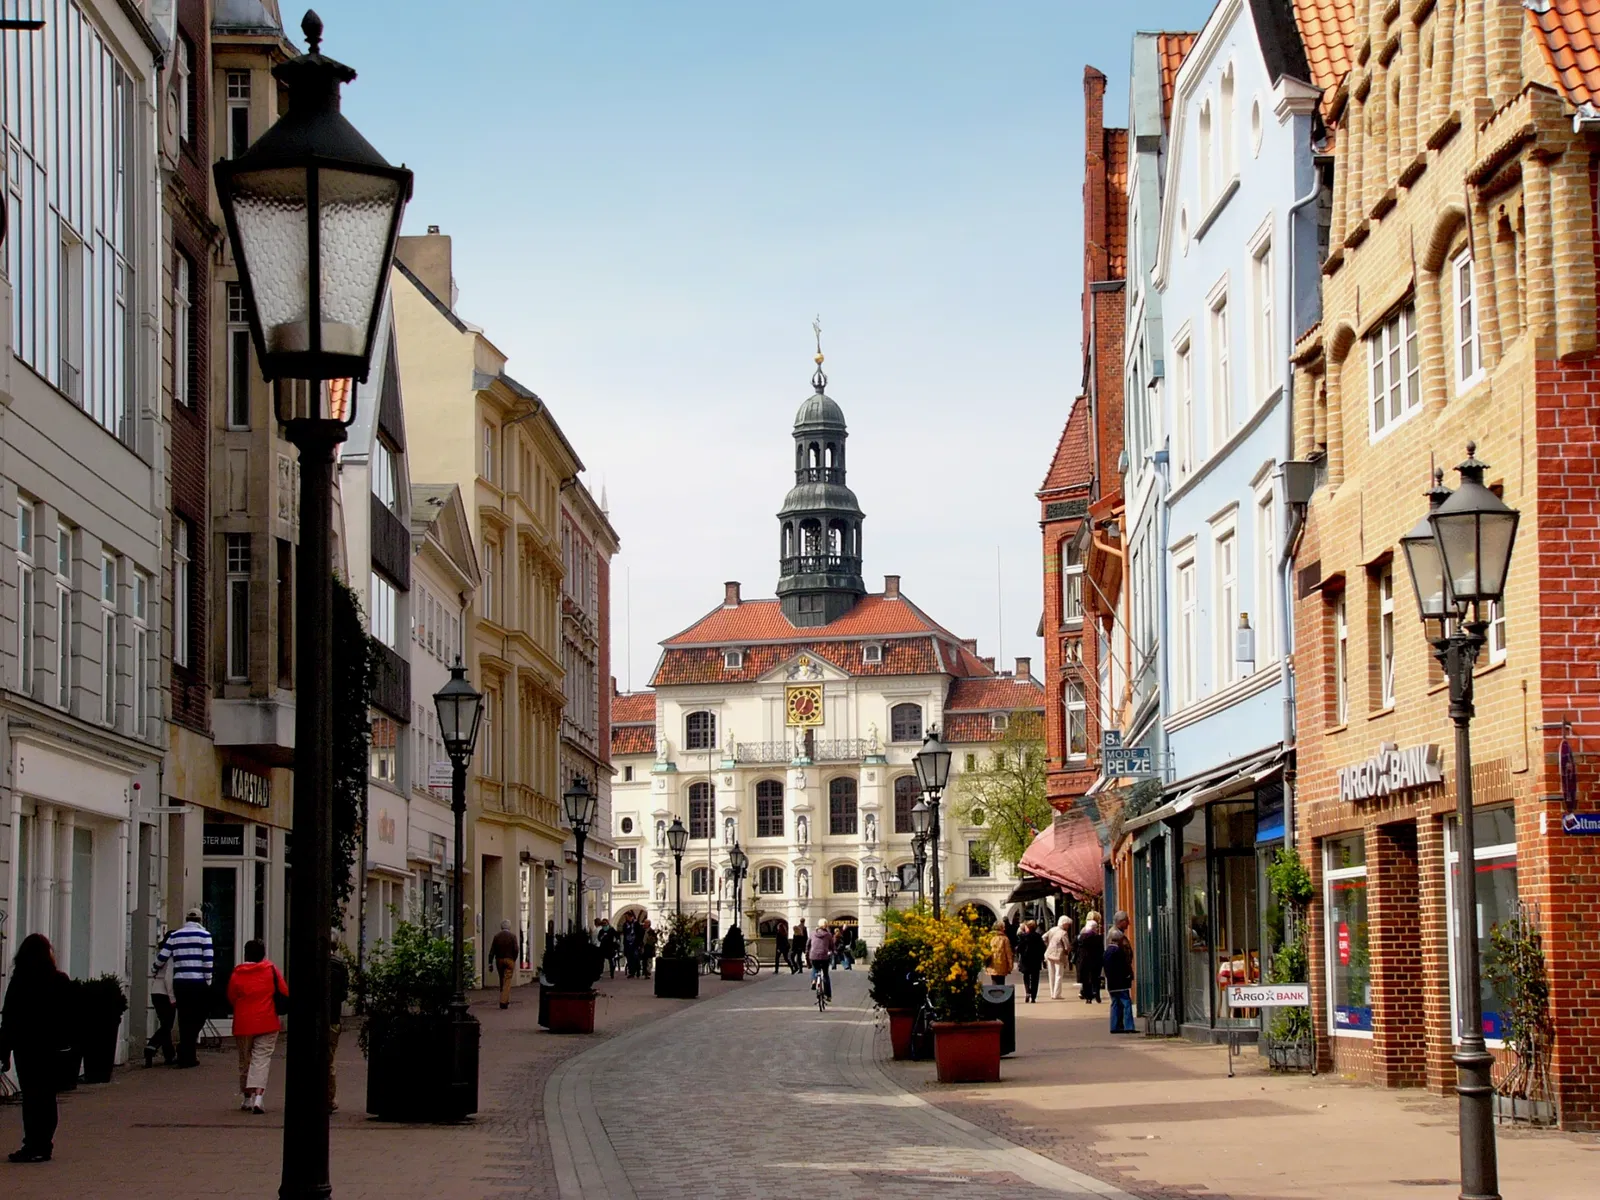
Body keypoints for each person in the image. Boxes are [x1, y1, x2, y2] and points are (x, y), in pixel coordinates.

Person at [0, 933, 72, 1162]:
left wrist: (5, 1050)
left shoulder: (20, 981)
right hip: (50, 1048)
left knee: (32, 1097)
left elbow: (9, 1018)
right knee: (47, 1097)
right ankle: (44, 1143)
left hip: (26, 1047)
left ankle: (32, 1143)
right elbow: (69, 1016)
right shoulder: (59, 980)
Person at [225, 939, 286, 1114]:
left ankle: (247, 1098)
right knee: (261, 1059)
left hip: (243, 1023)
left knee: (245, 1060)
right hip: (267, 1021)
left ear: (245, 954)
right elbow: (284, 991)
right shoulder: (271, 970)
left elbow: (231, 996)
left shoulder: (237, 974)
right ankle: (259, 1097)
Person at [154, 907, 214, 1068]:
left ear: (186, 919)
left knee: (184, 1018)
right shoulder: (205, 936)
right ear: (200, 920)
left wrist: (155, 968)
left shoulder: (175, 936)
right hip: (198, 982)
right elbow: (208, 961)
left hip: (180, 982)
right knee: (199, 1016)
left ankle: (186, 1053)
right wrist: (208, 981)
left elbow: (162, 957)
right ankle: (187, 1051)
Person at [145, 929, 177, 1066]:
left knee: (165, 1024)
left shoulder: (160, 953)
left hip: (155, 991)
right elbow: (169, 978)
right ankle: (151, 1047)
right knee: (167, 1025)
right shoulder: (171, 957)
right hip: (165, 993)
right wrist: (172, 997)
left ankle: (169, 1055)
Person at [328, 953, 350, 1112]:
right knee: (329, 1059)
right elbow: (343, 994)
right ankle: (329, 1098)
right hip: (332, 1017)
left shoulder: (307, 961)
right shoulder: (340, 964)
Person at [1105, 928, 1136, 1033]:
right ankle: (1129, 1026)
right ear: (1119, 940)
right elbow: (1124, 966)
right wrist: (1128, 975)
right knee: (1126, 1003)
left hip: (1111, 984)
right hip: (1120, 983)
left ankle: (1114, 1026)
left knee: (1115, 1003)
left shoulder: (1107, 952)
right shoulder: (1119, 952)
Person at [490, 920, 520, 1009]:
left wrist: (490, 962)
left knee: (502, 979)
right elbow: (516, 949)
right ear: (509, 927)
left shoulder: (497, 936)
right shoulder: (513, 936)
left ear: (501, 927)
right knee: (507, 981)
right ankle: (503, 1001)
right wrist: (514, 959)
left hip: (499, 960)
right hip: (510, 959)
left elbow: (492, 951)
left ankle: (504, 998)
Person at [1077, 911, 1105, 1004]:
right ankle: (1096, 993)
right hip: (1096, 960)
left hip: (1084, 960)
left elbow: (1076, 946)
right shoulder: (1098, 937)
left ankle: (1088, 997)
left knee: (1086, 978)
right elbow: (1101, 949)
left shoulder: (1082, 936)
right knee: (1095, 978)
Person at [1043, 915, 1074, 1000]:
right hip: (1059, 955)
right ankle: (1057, 994)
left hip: (1049, 953)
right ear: (1064, 924)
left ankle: (1052, 992)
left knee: (1051, 974)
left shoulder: (1052, 929)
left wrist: (1048, 944)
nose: (1068, 926)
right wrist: (1068, 951)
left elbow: (1044, 937)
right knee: (1059, 974)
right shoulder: (1063, 933)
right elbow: (1067, 946)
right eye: (1067, 924)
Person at [1017, 920, 1046, 1003]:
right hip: (1035, 960)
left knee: (1026, 976)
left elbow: (1019, 948)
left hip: (1025, 960)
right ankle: (1033, 996)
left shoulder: (1023, 936)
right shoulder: (1038, 936)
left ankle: (1027, 991)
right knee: (1035, 978)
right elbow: (1042, 948)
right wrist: (1042, 959)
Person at [807, 921, 835, 1001]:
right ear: (826, 926)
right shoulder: (828, 935)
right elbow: (832, 946)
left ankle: (814, 981)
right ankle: (828, 995)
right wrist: (832, 951)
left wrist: (807, 953)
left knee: (815, 969)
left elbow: (808, 944)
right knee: (825, 975)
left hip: (814, 956)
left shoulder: (812, 934)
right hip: (824, 956)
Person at [987, 921, 1014, 985]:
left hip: (991, 963)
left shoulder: (989, 937)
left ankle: (994, 994)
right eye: (1003, 927)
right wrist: (1010, 966)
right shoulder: (1004, 939)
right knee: (1001, 983)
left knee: (994, 981)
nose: (1004, 929)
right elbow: (1008, 953)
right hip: (1002, 964)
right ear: (1000, 928)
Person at [621, 912, 640, 978]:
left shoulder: (636, 924)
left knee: (636, 958)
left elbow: (639, 933)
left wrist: (638, 943)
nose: (626, 918)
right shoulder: (625, 924)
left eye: (627, 917)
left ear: (631, 916)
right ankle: (631, 972)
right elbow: (624, 932)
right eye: (626, 917)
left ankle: (637, 971)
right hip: (627, 944)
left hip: (635, 944)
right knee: (629, 959)